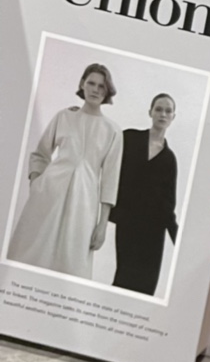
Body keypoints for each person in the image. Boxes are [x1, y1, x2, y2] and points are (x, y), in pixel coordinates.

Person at [7, 63, 123, 279]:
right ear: (82, 84)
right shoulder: (64, 116)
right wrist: (36, 184)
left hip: (84, 203)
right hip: (48, 195)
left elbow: (110, 179)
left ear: (107, 91)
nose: (95, 89)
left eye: (101, 86)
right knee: (29, 257)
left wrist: (102, 225)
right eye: (91, 83)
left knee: (72, 267)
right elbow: (40, 154)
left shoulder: (113, 130)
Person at [110, 93, 179, 295]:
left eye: (168, 111)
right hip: (128, 224)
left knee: (146, 286)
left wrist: (177, 238)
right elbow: (105, 154)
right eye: (158, 109)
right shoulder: (129, 138)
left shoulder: (169, 158)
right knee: (123, 278)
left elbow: (168, 204)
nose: (163, 114)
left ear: (173, 117)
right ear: (150, 112)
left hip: (154, 231)